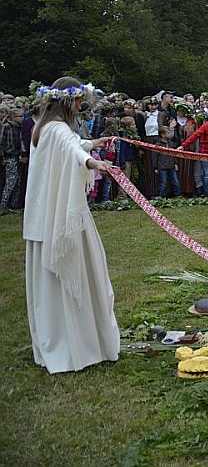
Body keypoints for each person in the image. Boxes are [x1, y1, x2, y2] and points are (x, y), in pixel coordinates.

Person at [22, 77, 119, 373]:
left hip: (43, 217)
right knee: (80, 271)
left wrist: (92, 143)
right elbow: (71, 149)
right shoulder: (57, 129)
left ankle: (61, 338)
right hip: (60, 220)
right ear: (67, 102)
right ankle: (76, 344)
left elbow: (72, 145)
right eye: (78, 102)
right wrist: (92, 162)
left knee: (51, 283)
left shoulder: (42, 128)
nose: (81, 107)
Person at [0, 104, 21, 212]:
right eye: (19, 116)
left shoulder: (18, 128)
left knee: (16, 181)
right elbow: (1, 143)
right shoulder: (6, 126)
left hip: (17, 156)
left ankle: (12, 205)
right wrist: (2, 158)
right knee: (10, 182)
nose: (21, 118)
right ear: (13, 117)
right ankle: (3, 205)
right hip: (9, 157)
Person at [155, 125, 181, 198]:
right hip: (162, 166)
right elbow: (155, 156)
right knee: (163, 182)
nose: (170, 133)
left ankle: (178, 195)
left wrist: (175, 163)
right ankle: (161, 197)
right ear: (163, 134)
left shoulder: (171, 143)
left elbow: (173, 154)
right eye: (168, 132)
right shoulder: (158, 144)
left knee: (175, 181)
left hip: (171, 165)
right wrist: (156, 167)